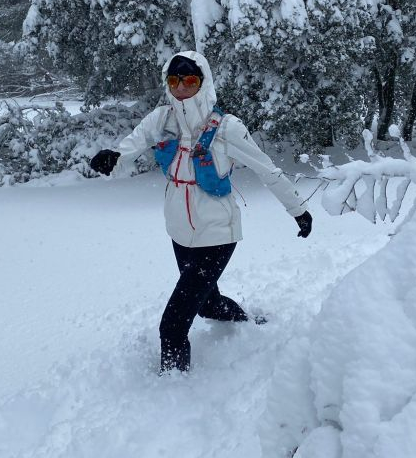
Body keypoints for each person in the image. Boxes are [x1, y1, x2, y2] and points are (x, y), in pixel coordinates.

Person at [89, 50, 313, 374]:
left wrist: (298, 210)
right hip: (180, 234)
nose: (181, 87)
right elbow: (132, 144)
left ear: (203, 82)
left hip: (218, 235)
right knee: (208, 304)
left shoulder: (226, 129)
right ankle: (247, 322)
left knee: (173, 325)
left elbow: (267, 169)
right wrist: (113, 158)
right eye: (174, 80)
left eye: (189, 80)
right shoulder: (162, 120)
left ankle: (173, 390)